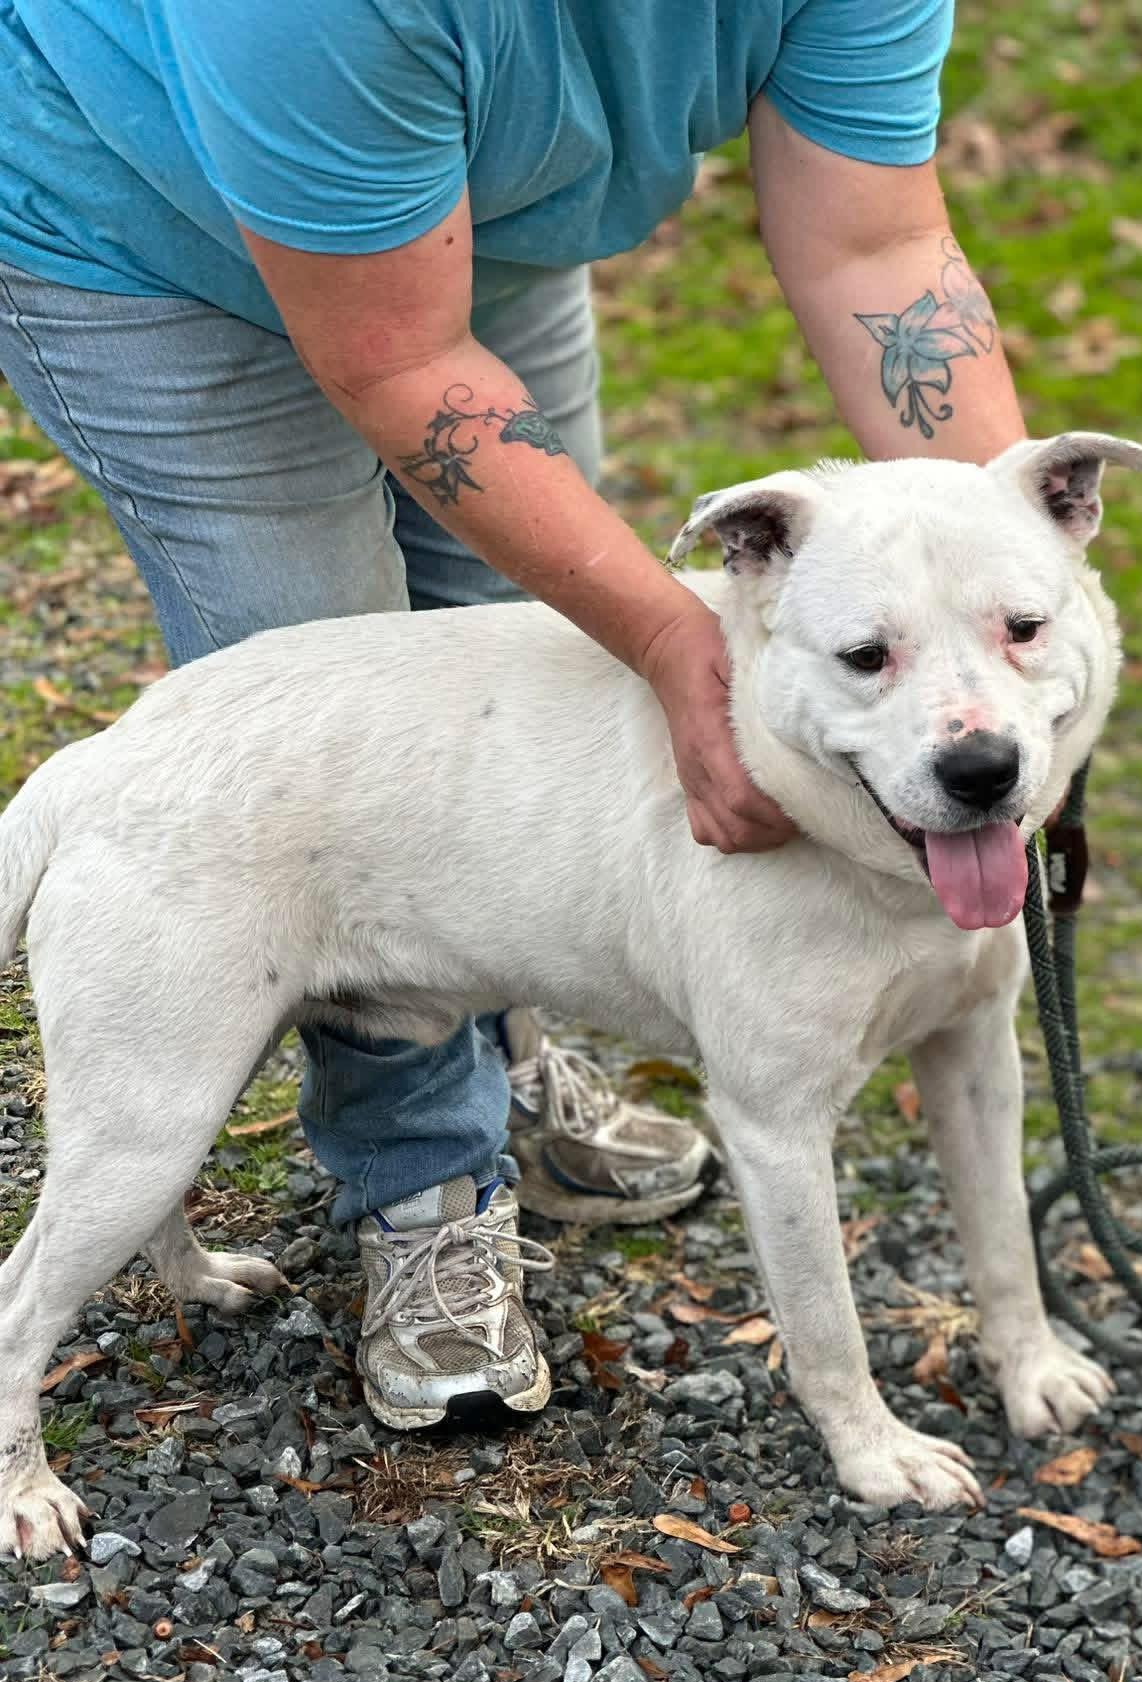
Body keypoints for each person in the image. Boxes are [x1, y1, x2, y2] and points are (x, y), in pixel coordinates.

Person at [0, 1, 1029, 1429]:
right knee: (320, 780)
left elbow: (877, 248)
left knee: (523, 726)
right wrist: (679, 647)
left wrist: (1003, 608)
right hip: (146, 246)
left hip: (492, 212)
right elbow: (398, 359)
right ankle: (423, 1181)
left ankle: (518, 1064)